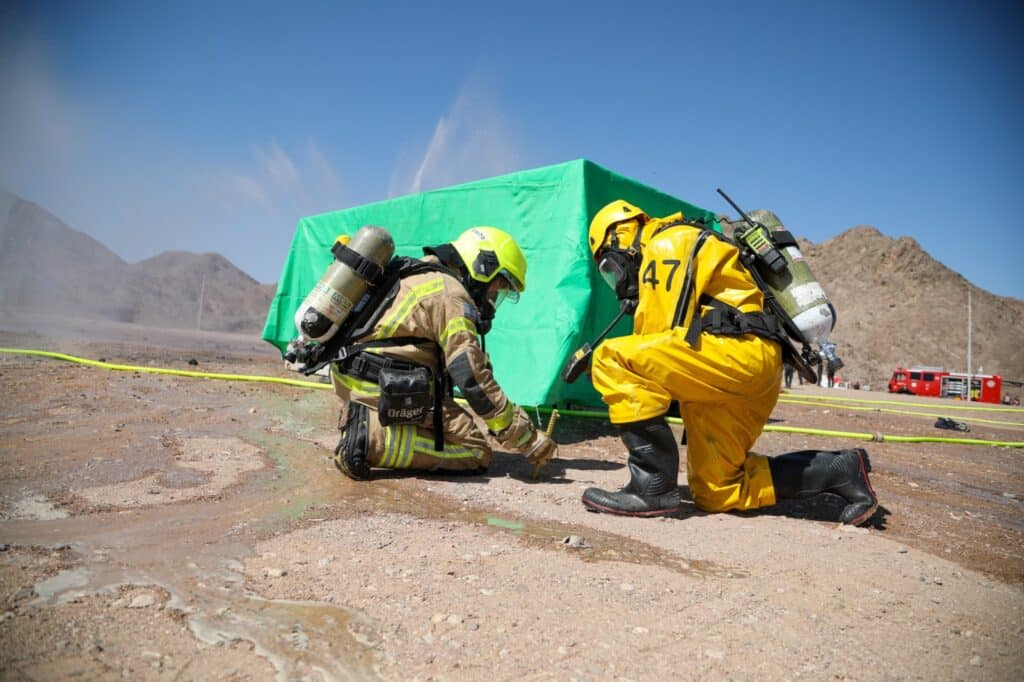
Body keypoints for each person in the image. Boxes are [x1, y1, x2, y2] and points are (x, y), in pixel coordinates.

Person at [579, 200, 878, 525]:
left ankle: (651, 486)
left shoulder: (666, 242)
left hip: (737, 353)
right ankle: (841, 471)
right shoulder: (684, 242)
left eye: (611, 268)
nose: (617, 280)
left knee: (613, 358)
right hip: (746, 367)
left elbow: (654, 335)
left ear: (622, 236)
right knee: (717, 489)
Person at [330, 226, 557, 479]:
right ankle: (370, 438)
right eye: (498, 287)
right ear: (484, 266)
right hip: (380, 386)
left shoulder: (423, 273)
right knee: (475, 450)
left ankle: (366, 420)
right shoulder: (451, 295)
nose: (494, 299)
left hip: (357, 377)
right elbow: (471, 376)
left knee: (454, 424)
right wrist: (526, 438)